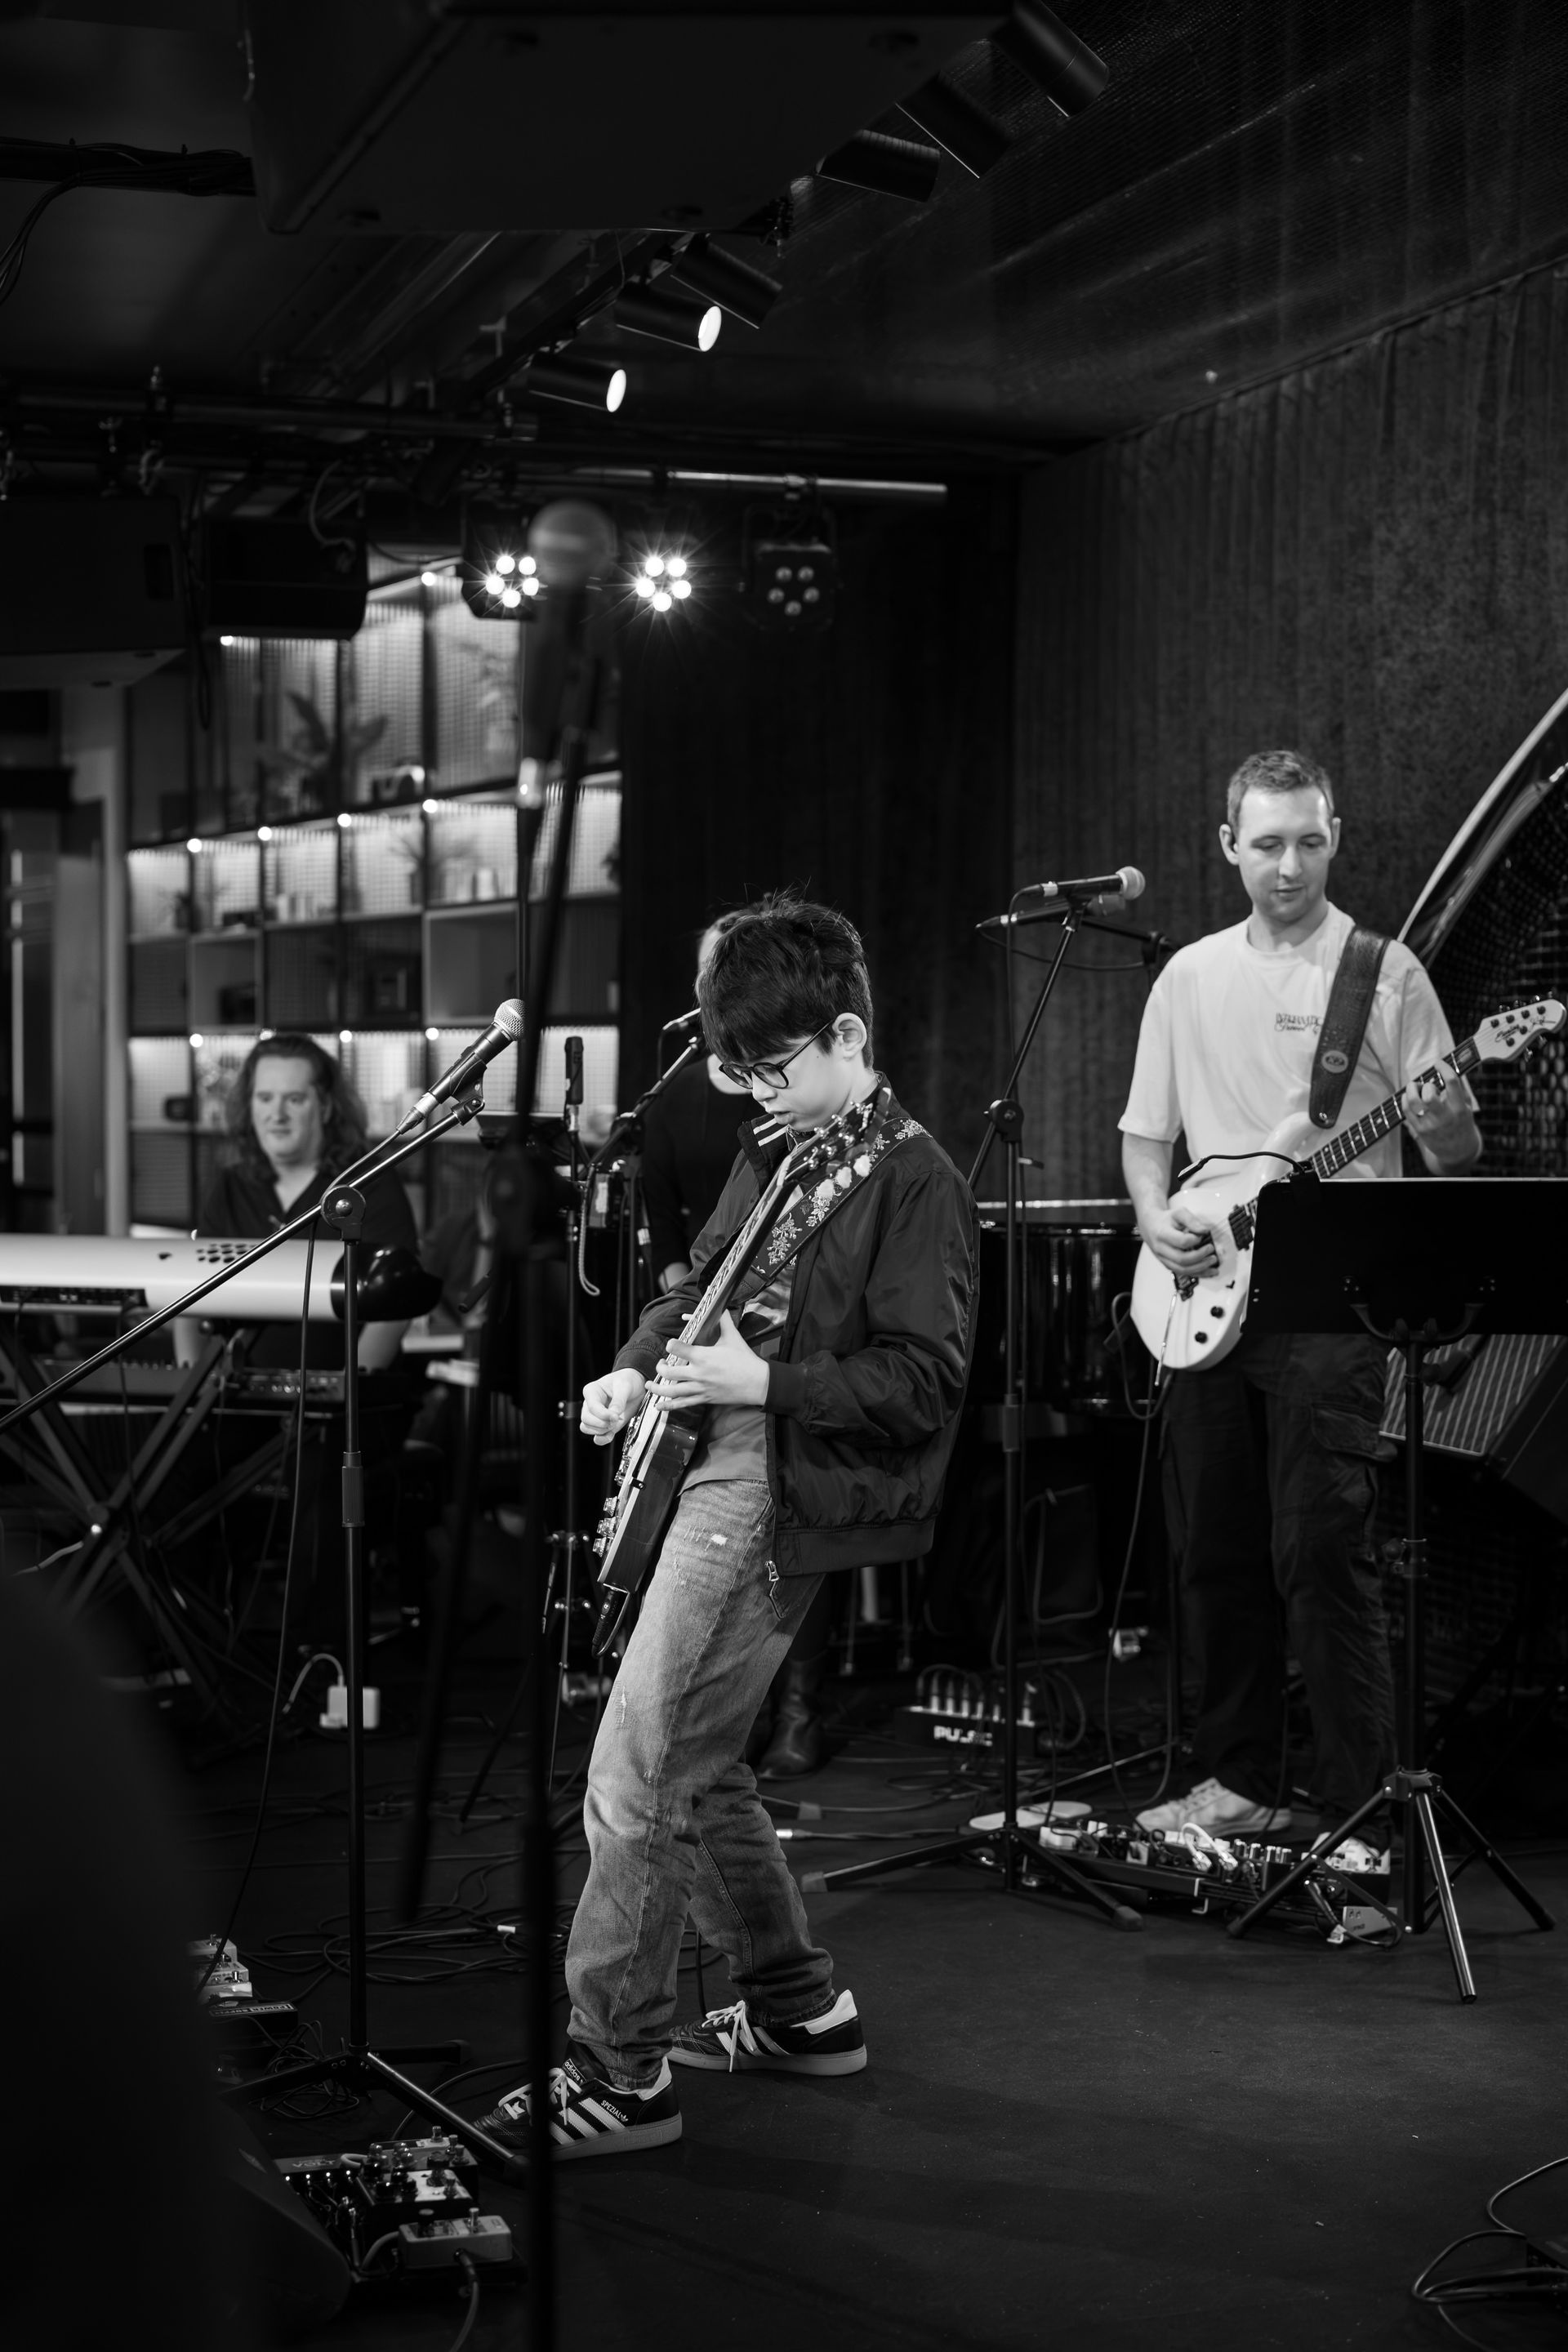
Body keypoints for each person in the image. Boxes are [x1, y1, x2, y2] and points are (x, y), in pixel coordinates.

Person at [480, 891, 978, 2158]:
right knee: (695, 1773)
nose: (747, 1091)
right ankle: (801, 2012)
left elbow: (927, 1383)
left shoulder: (916, 1178)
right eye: (731, 1067)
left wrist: (769, 1386)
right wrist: (640, 1368)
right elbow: (698, 1287)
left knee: (633, 1773)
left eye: (766, 1066)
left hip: (776, 1486)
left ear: (847, 1033)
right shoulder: (783, 1145)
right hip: (713, 1460)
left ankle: (620, 2071)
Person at [1120, 748, 1481, 1841]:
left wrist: (1445, 1113)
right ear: (1229, 845)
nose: (1289, 865)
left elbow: (1452, 1155)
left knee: (1321, 1548)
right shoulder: (1187, 976)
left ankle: (1356, 1809)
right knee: (1215, 1548)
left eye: (1310, 841)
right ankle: (1237, 1779)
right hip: (1203, 1289)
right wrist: (1153, 1219)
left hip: (1336, 1297)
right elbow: (1146, 1141)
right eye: (1268, 843)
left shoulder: (1386, 971)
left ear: (1338, 835)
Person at [643, 924, 834, 1777]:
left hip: (784, 1384)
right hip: (718, 1353)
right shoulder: (683, 1100)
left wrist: (759, 1370)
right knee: (682, 1763)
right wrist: (654, 1355)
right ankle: (737, 1721)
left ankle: (797, 1705)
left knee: (663, 1764)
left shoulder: (831, 1113)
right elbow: (682, 1254)